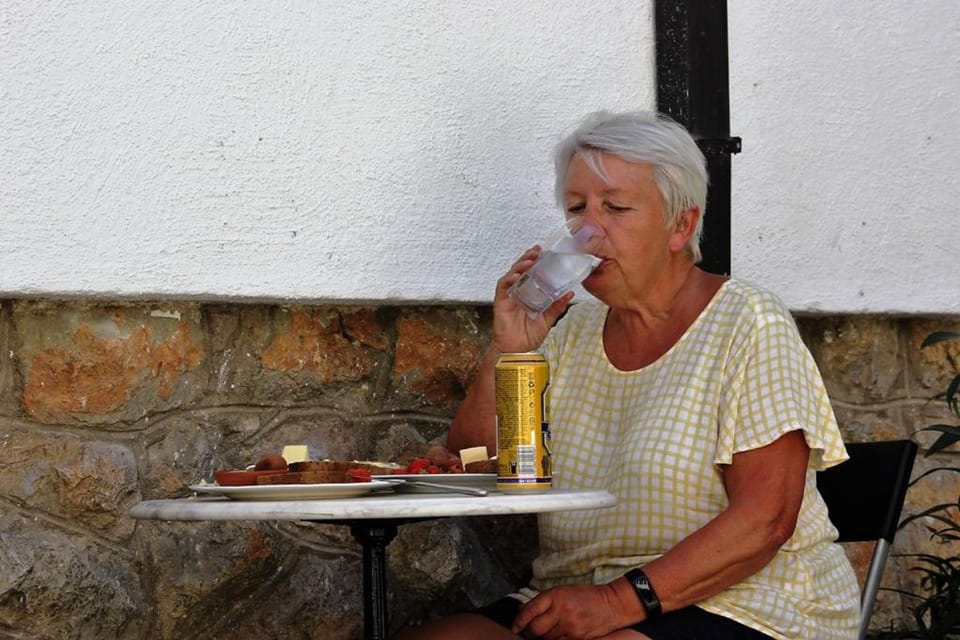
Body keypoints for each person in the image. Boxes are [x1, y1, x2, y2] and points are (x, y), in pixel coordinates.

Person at [394, 110, 860, 640]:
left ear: (681, 225)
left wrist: (618, 601)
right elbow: (473, 463)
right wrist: (509, 348)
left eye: (615, 208)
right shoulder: (571, 332)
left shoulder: (747, 322)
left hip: (746, 600)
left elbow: (764, 521)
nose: (588, 232)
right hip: (577, 594)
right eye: (577, 209)